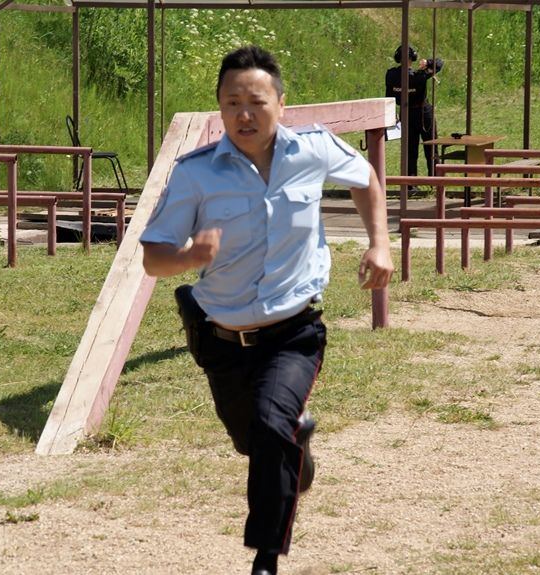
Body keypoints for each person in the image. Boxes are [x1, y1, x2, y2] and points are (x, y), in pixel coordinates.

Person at [139, 45, 393, 575]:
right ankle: (295, 448)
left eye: (256, 101)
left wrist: (379, 243)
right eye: (232, 103)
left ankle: (266, 559)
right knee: (253, 439)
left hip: (294, 331)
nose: (244, 114)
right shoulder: (196, 174)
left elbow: (365, 177)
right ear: (220, 108)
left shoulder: (313, 149)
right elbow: (153, 258)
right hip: (223, 337)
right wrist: (188, 257)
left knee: (270, 425)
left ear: (281, 103)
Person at [384, 45, 443, 178]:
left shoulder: (391, 75)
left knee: (410, 151)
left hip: (405, 113)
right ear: (413, 58)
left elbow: (388, 97)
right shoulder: (419, 75)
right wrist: (428, 63)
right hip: (423, 113)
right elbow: (439, 64)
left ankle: (411, 183)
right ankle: (434, 179)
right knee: (431, 148)